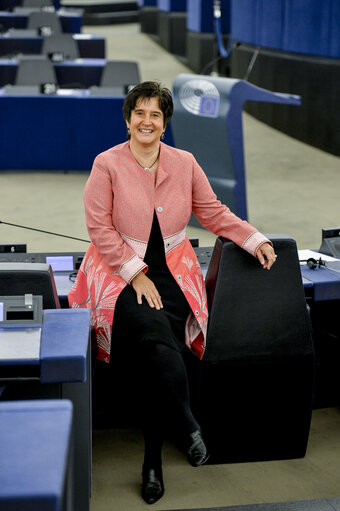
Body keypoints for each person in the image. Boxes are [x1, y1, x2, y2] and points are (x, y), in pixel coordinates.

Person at [68, 81, 276, 504]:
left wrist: (254, 239)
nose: (147, 121)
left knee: (157, 358)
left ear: (165, 124)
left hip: (175, 275)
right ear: (128, 121)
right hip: (119, 273)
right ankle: (183, 426)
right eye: (139, 113)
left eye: (155, 115)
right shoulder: (106, 164)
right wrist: (135, 274)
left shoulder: (185, 162)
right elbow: (99, 229)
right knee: (157, 345)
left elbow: (213, 211)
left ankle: (153, 462)